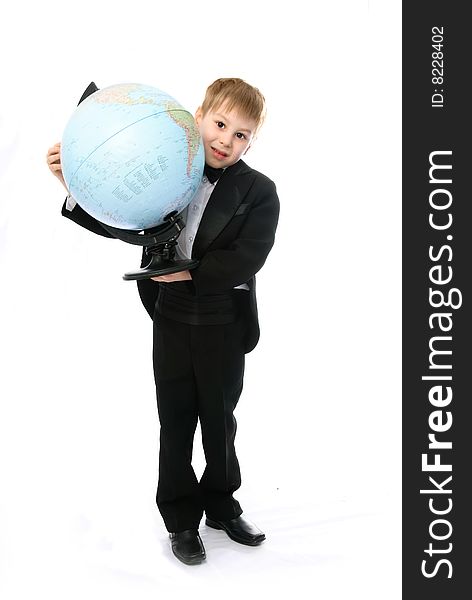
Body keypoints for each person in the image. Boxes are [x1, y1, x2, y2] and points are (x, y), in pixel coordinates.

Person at [46, 78, 280, 566]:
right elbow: (126, 221)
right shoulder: (169, 167)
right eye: (220, 124)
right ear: (199, 116)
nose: (226, 140)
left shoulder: (260, 191)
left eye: (242, 135)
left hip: (222, 320)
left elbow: (248, 256)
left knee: (219, 421)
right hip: (171, 318)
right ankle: (180, 520)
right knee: (175, 422)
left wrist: (187, 275)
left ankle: (221, 505)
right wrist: (76, 186)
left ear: (252, 140)